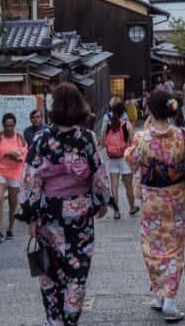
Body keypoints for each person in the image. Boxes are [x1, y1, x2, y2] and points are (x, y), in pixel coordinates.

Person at [17, 83, 113, 325]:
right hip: (79, 214)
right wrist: (103, 200)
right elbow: (98, 174)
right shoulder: (87, 138)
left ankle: (54, 320)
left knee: (50, 271)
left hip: (48, 213)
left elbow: (31, 178)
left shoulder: (41, 139)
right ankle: (71, 318)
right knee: (76, 271)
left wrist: (30, 214)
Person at [124, 88, 185, 323]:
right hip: (175, 198)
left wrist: (146, 131)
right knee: (174, 247)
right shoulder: (183, 136)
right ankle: (165, 298)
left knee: (152, 247)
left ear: (149, 110)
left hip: (151, 200)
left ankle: (163, 296)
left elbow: (131, 160)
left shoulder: (142, 138)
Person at [0, 112, 28, 242]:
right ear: (3, 125)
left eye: (11, 125)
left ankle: (10, 228)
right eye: (6, 125)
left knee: (12, 202)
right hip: (0, 170)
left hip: (15, 172)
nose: (9, 128)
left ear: (15, 125)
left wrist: (15, 156)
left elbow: (24, 155)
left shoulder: (19, 137)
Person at [102, 98, 138, 219]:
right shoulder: (127, 125)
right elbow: (133, 144)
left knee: (114, 186)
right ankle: (132, 207)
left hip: (112, 159)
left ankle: (116, 212)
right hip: (124, 158)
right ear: (123, 112)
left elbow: (103, 142)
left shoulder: (107, 126)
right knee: (128, 186)